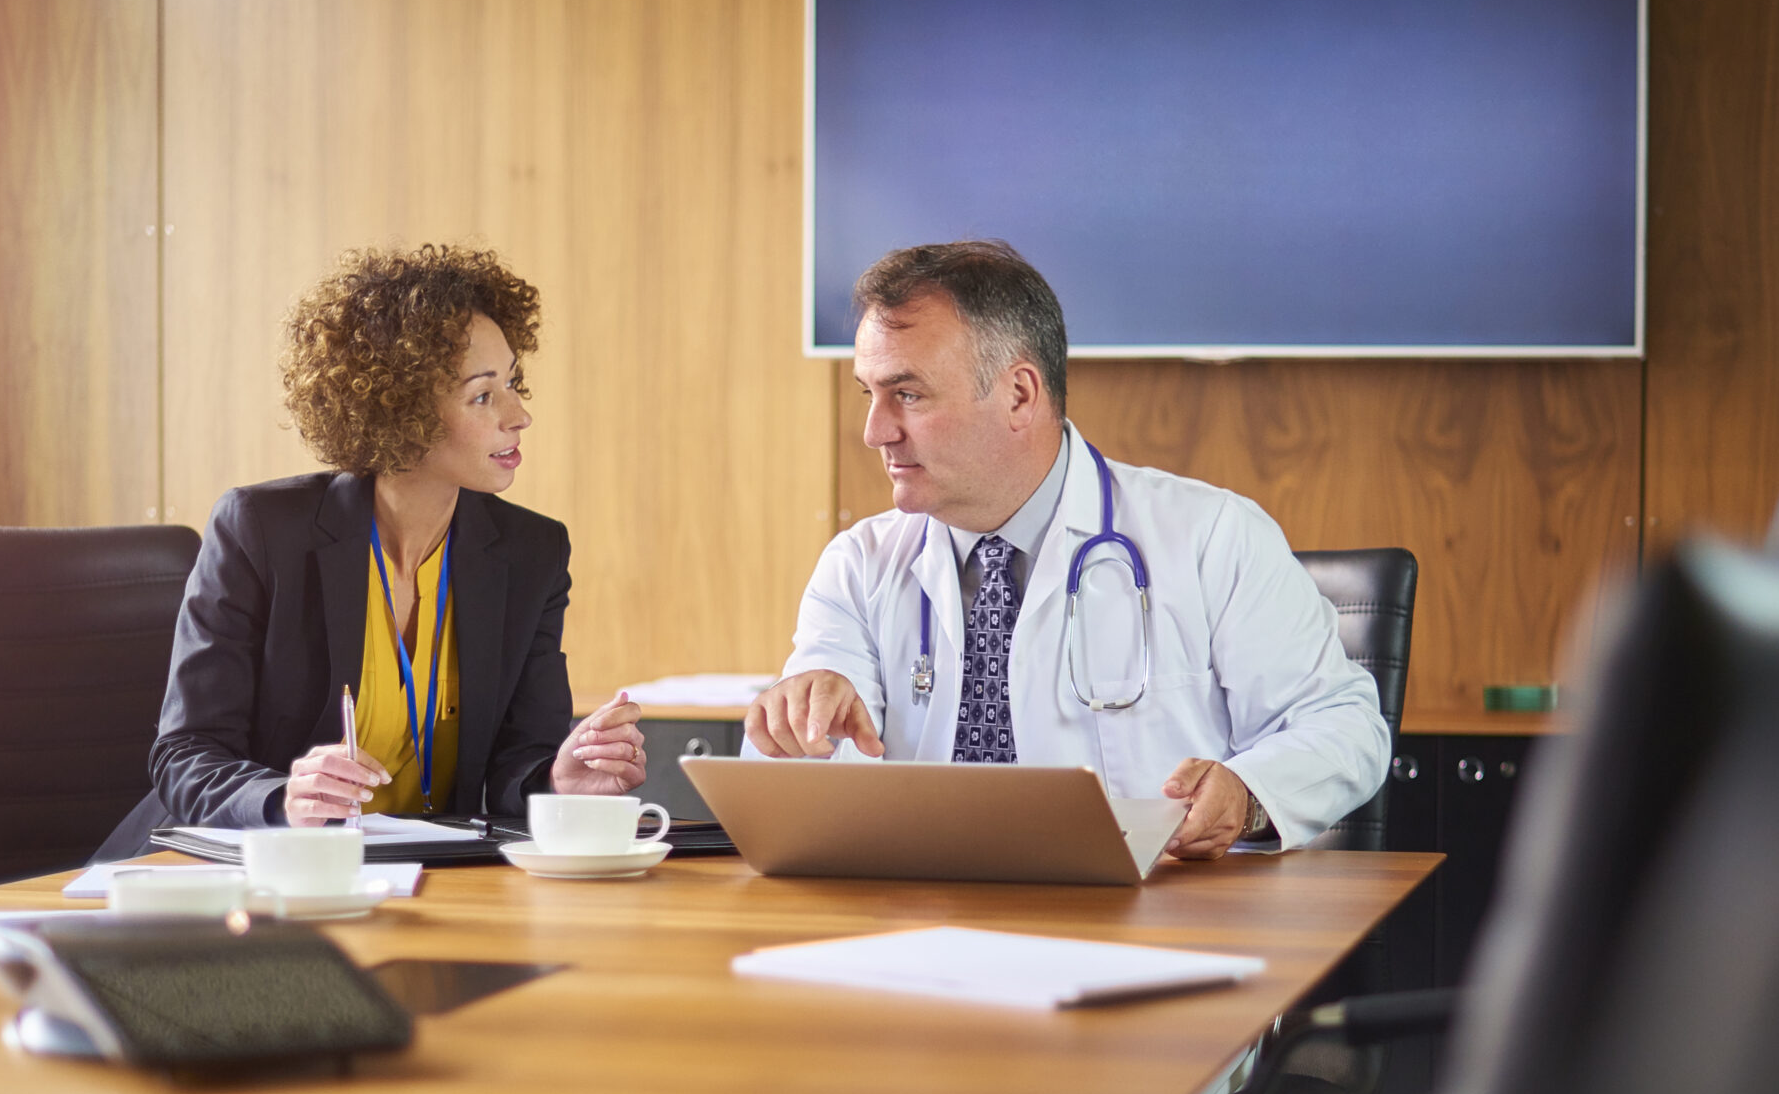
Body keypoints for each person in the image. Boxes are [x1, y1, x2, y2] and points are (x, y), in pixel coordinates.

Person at [746, 240, 1388, 854]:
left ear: (1019, 395)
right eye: (870, 393)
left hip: (1150, 928)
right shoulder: (859, 565)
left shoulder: (1211, 535)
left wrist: (1248, 794)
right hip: (920, 927)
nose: (874, 431)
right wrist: (799, 713)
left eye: (907, 395)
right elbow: (814, 723)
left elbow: (1345, 726)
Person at [98, 244, 645, 857]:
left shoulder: (532, 552)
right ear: (402, 408)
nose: (519, 416)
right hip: (239, 874)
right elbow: (184, 756)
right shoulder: (261, 531)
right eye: (483, 395)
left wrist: (558, 780)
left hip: (414, 878)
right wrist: (283, 797)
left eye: (513, 383)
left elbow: (519, 761)